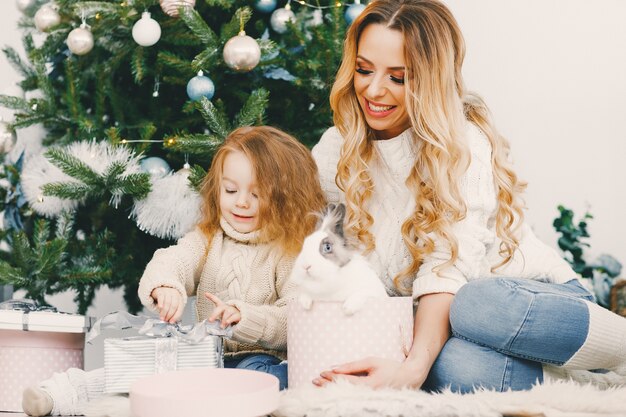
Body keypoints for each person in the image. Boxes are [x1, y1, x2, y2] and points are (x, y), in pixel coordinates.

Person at [311, 0, 626, 393]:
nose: (373, 90)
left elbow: (448, 266)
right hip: (450, 325)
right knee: (451, 368)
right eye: (363, 69)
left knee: (471, 306)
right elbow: (314, 249)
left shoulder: (463, 144)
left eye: (399, 77)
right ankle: (579, 382)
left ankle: (621, 348)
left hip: (525, 300)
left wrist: (410, 371)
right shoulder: (335, 149)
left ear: (430, 79)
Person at [22, 126, 326, 416]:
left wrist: (246, 317)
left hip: (260, 360)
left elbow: (295, 317)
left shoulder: (289, 252)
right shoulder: (208, 238)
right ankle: (61, 393)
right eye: (231, 190)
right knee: (139, 372)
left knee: (269, 382)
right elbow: (173, 260)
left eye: (257, 194)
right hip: (203, 356)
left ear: (285, 198)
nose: (242, 202)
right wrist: (165, 287)